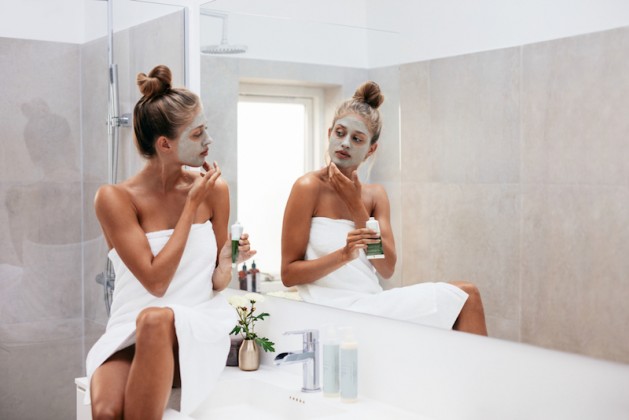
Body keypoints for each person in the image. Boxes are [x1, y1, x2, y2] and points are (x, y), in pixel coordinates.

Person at [85, 65, 255, 419]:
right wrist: (191, 205)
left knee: (155, 320)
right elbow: (155, 281)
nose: (208, 141)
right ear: (165, 144)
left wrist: (227, 263)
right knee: (103, 411)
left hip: (194, 325)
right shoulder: (114, 198)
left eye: (205, 129)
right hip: (129, 326)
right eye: (197, 134)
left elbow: (215, 282)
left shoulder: (215, 191)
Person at [281, 81, 487, 336]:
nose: (345, 143)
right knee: (465, 294)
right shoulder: (307, 187)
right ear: (329, 133)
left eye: (357, 139)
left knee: (467, 296)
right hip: (330, 309)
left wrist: (356, 206)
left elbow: (386, 268)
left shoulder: (375, 196)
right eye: (340, 133)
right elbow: (289, 274)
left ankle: (476, 376)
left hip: (370, 304)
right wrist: (343, 256)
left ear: (370, 150)